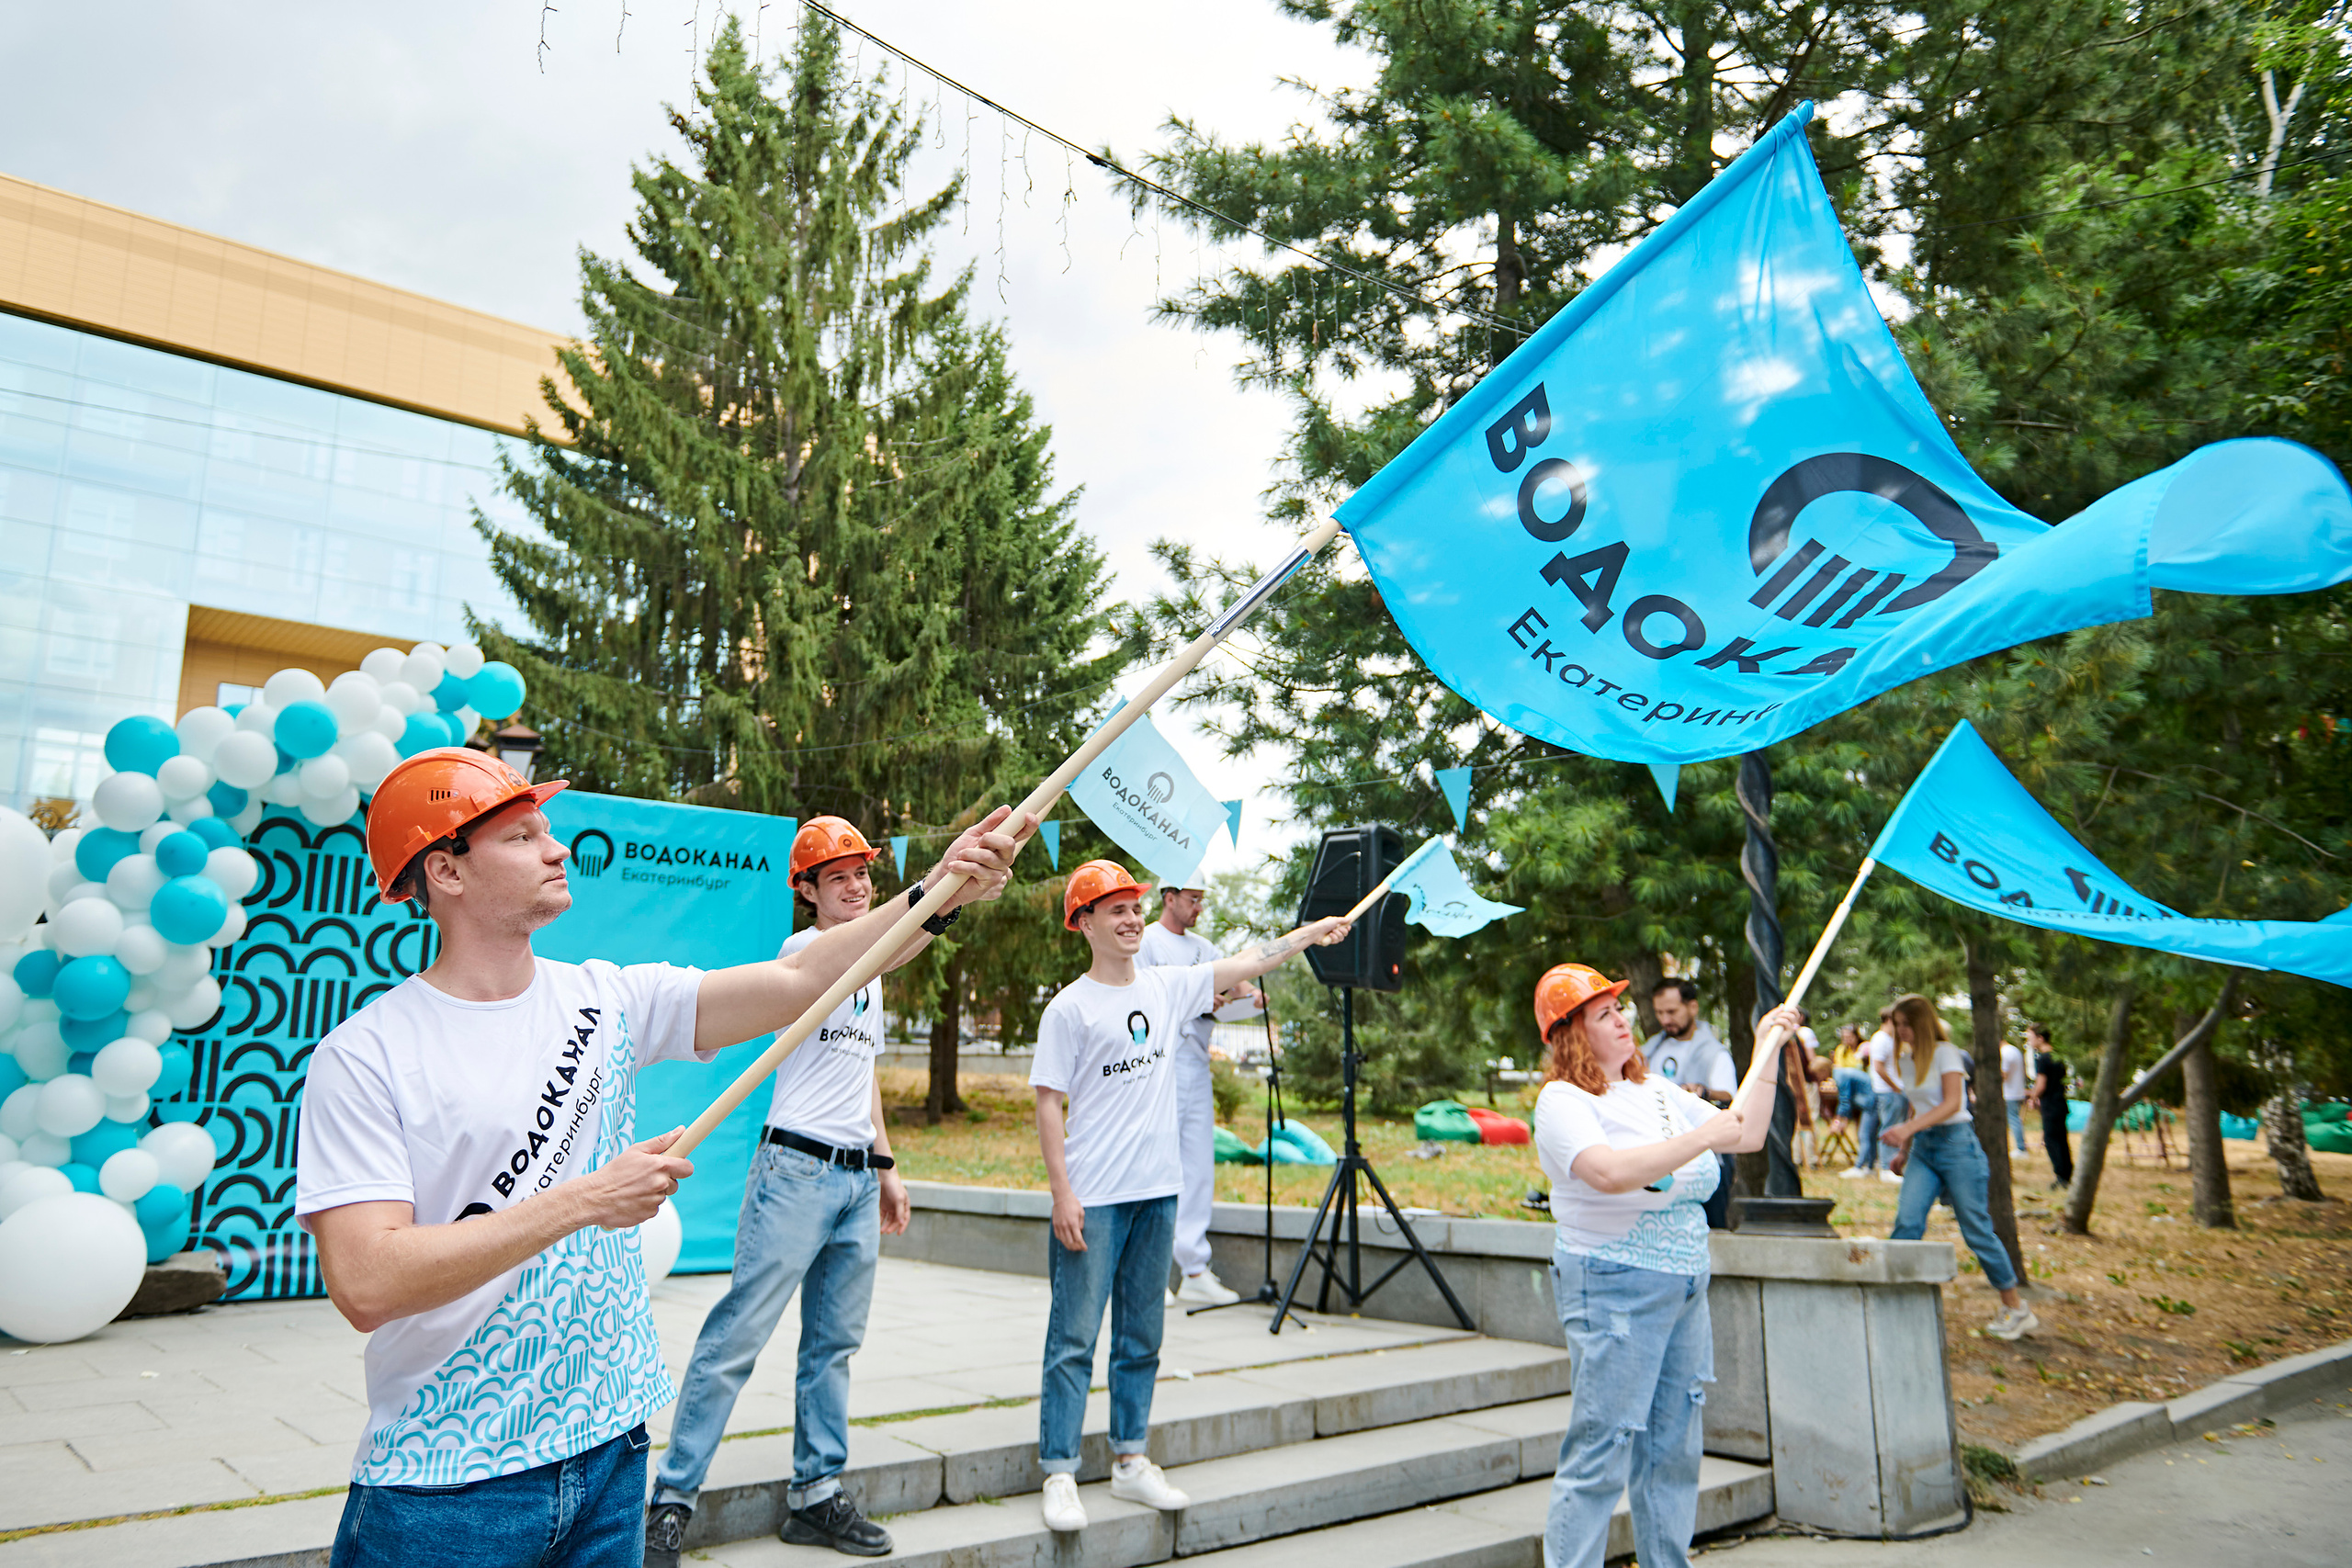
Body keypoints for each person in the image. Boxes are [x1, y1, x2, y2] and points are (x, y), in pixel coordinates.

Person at [295, 750, 1022, 1568]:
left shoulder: (606, 996)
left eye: (549, 830)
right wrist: (585, 1199)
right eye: (522, 834)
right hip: (448, 1482)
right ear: (445, 870)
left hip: (612, 1446)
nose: (556, 848)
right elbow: (365, 1281)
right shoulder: (365, 1054)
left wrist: (938, 892)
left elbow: (799, 976)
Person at [1029, 861, 1349, 1535]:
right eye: (1112, 909)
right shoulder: (1069, 1007)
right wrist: (1062, 1193)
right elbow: (1048, 1103)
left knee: (1141, 1334)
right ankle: (1059, 1468)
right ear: (1083, 923)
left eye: (1133, 906)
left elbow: (1248, 961)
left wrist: (1310, 933)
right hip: (1095, 1195)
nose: (1129, 918)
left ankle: (1130, 1458)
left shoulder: (1169, 987)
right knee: (1074, 1337)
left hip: (1157, 1195)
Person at [646, 818, 923, 1563]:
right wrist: (945, 896)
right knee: (738, 1335)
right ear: (806, 891)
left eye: (863, 873)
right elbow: (902, 938)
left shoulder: (869, 968)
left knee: (834, 1343)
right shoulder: (806, 953)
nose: (859, 885)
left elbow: (859, 1074)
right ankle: (671, 1501)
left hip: (855, 1176)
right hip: (795, 1170)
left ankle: (816, 1494)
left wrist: (886, 1163)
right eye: (839, 877)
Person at [1530, 963, 1791, 1568]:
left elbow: (1747, 1131)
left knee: (1673, 1449)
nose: (1624, 1020)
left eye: (1621, 1010)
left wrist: (1768, 1048)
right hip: (1613, 1285)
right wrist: (1702, 1137)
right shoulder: (1562, 1100)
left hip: (1684, 1287)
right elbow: (1610, 1173)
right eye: (1604, 1014)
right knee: (1603, 1448)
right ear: (1571, 1033)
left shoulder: (1654, 1090)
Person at [1878, 994, 2038, 1341]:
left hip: (1957, 1145)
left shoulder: (1946, 1053)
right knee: (1907, 1220)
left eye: (1906, 1023)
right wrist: (1905, 1151)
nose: (1901, 1030)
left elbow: (1953, 1103)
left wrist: (1907, 1131)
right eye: (1897, 1024)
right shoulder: (1907, 1060)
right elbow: (1917, 1107)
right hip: (1923, 1149)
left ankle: (2015, 1307)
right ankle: (1894, 1300)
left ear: (1922, 1022)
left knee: (1976, 1229)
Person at [1136, 883, 1257, 1308]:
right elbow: (1143, 1002)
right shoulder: (1146, 941)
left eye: (1202, 899)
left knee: (1197, 1165)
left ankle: (1195, 1268)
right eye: (1192, 899)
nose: (1199, 907)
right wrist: (1201, 1001)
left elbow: (1239, 985)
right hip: (1158, 1066)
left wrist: (1246, 996)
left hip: (1195, 1065)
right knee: (1157, 1165)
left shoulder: (1205, 947)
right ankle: (1150, 1272)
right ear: (1169, 898)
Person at [1644, 978, 1736, 1108]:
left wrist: (1703, 1092)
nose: (1665, 1020)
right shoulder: (1650, 1049)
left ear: (1693, 1007)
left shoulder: (1714, 1053)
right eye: (1659, 1012)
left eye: (1671, 1012)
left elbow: (1728, 1096)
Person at [1860, 1005, 1907, 1184]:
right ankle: (1887, 1169)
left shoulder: (1889, 1039)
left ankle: (1893, 1166)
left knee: (1895, 1127)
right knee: (1889, 1128)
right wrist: (1895, 1086)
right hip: (1888, 1092)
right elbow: (1878, 1067)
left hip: (1894, 1091)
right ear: (1889, 1020)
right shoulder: (1880, 1039)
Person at [2030, 1023, 2074, 1190]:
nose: (2030, 1042)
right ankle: (2067, 1173)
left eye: (2031, 1038)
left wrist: (2033, 1097)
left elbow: (2041, 1084)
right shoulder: (2058, 1056)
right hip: (2060, 1103)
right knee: (2062, 1139)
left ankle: (2060, 1176)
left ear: (2040, 1038)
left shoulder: (2043, 1058)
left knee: (2051, 1140)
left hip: (2050, 1105)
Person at [1832, 1024, 1877, 1178]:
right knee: (1867, 1134)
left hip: (1870, 1101)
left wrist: (1838, 1121)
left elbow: (1844, 1098)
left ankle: (1859, 1167)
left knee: (1864, 1134)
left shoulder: (1839, 1075)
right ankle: (1869, 1166)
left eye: (1849, 1036)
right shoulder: (1841, 1058)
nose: (1846, 1040)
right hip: (1867, 1099)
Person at [1999, 1034, 2030, 1155]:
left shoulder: (2004, 1053)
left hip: (2009, 1093)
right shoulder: (2013, 1050)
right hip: (2017, 1091)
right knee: (2015, 1119)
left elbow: (2004, 1074)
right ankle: (2021, 1146)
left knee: (2013, 1119)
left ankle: (2021, 1148)